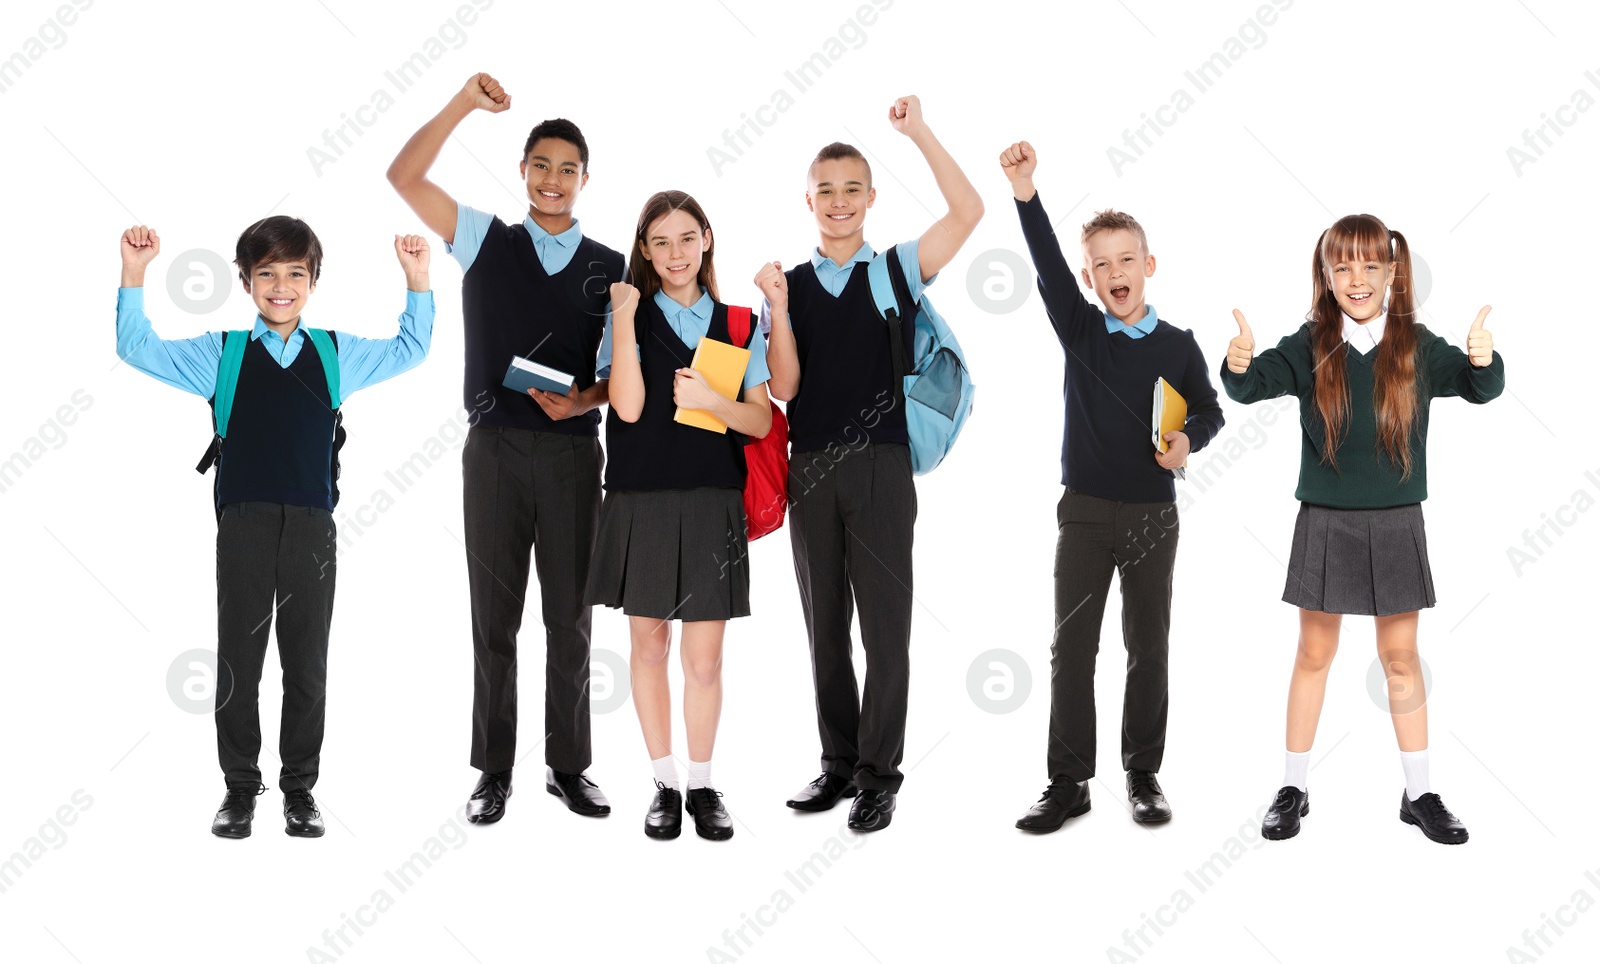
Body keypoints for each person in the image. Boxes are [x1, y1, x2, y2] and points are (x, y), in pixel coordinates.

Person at [116, 218, 433, 838]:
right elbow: (137, 347)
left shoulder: (336, 354)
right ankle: (239, 789)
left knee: (306, 664)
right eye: (266, 274)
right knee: (239, 660)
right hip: (244, 523)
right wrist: (135, 273)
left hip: (313, 526)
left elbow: (410, 350)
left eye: (295, 274)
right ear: (245, 281)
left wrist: (417, 280)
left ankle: (299, 790)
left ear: (313, 282)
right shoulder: (224, 353)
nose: (280, 287)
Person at [1221, 213, 1503, 844]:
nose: (1356, 279)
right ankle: (1293, 786)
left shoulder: (1417, 344)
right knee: (1313, 653)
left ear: (1391, 272)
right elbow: (1249, 386)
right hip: (1325, 521)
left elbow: (1479, 387)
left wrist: (1484, 359)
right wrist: (1238, 365)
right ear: (1326, 273)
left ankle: (1420, 793)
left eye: (1370, 266)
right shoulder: (1310, 342)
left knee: (1400, 659)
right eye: (1342, 265)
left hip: (1398, 521)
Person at [387, 72, 624, 823]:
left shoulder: (613, 268)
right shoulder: (484, 239)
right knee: (493, 618)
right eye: (542, 165)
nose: (554, 180)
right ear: (522, 170)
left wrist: (582, 398)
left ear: (586, 180)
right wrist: (463, 103)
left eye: (569, 169)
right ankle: (493, 770)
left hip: (572, 454)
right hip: (491, 452)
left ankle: (568, 765)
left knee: (571, 618)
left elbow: (620, 380)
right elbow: (403, 176)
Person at [758, 94, 982, 833]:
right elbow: (784, 390)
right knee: (824, 629)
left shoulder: (895, 272)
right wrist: (778, 310)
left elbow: (968, 212)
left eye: (853, 187)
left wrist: (918, 131)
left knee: (884, 631)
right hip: (811, 469)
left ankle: (880, 777)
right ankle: (838, 766)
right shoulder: (787, 286)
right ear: (809, 199)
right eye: (826, 189)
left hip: (882, 468)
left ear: (871, 198)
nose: (840, 201)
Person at [997, 142, 1225, 833]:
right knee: (1073, 647)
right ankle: (1068, 781)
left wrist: (1191, 441)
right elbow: (1044, 261)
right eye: (1101, 265)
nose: (1114, 272)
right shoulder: (1081, 330)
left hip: (1156, 514)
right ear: (1090, 280)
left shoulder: (1179, 343)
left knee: (1147, 645)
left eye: (1126, 259)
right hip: (1086, 514)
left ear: (1148, 266)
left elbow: (1209, 411)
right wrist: (1026, 190)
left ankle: (1143, 773)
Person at [588, 191, 772, 841]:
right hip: (639, 497)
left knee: (704, 661)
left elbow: (758, 420)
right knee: (647, 645)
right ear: (644, 249)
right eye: (660, 242)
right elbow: (630, 409)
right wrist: (621, 316)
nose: (675, 254)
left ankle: (701, 783)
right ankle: (664, 782)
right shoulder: (628, 318)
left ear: (708, 240)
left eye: (687, 238)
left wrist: (712, 401)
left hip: (712, 497)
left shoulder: (742, 323)